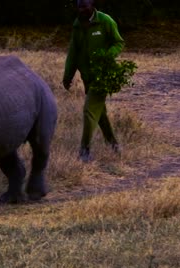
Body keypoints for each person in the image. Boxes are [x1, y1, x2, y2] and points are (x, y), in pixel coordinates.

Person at [63, 0, 124, 162]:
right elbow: (73, 53)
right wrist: (67, 76)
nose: (81, 9)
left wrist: (107, 56)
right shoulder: (77, 25)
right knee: (100, 113)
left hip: (103, 76)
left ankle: (84, 150)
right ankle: (113, 145)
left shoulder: (105, 21)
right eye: (78, 6)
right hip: (87, 77)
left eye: (84, 6)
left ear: (92, 5)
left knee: (89, 110)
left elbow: (119, 42)